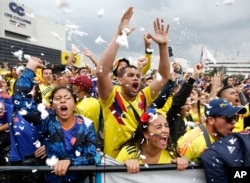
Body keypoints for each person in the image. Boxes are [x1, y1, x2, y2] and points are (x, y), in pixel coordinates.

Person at [96, 7, 170, 158]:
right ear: (119, 79)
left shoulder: (144, 96)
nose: (136, 78)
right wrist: (119, 35)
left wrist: (163, 47)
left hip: (139, 160)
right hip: (115, 163)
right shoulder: (111, 96)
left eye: (138, 75)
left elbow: (163, 76)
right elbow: (101, 72)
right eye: (130, 75)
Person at [13, 57, 97, 183]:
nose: (62, 100)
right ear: (52, 106)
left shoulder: (86, 124)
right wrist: (30, 68)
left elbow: (92, 157)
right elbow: (19, 100)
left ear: (74, 104)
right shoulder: (46, 122)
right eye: (58, 98)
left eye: (67, 98)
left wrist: (70, 162)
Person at [116, 108, 188, 173]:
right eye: (158, 127)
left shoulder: (172, 151)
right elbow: (112, 176)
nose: (165, 131)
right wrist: (123, 166)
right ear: (146, 133)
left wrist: (182, 162)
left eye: (166, 126)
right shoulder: (128, 153)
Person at [178, 98, 246, 162]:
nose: (234, 122)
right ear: (211, 120)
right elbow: (173, 172)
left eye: (235, 117)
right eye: (230, 118)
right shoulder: (192, 142)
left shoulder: (229, 137)